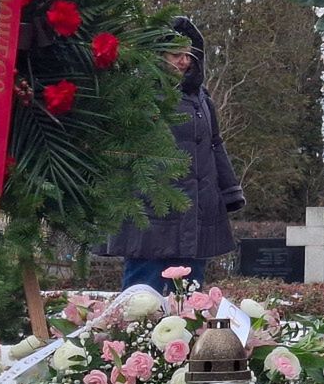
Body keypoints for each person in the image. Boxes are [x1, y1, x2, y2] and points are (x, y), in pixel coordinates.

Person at [103, 17, 244, 291]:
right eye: (175, 54)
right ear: (157, 55)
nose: (184, 62)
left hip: (196, 215)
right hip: (151, 217)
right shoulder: (139, 94)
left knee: (190, 304)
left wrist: (229, 192)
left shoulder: (202, 98)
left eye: (189, 55)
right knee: (142, 299)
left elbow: (214, 144)